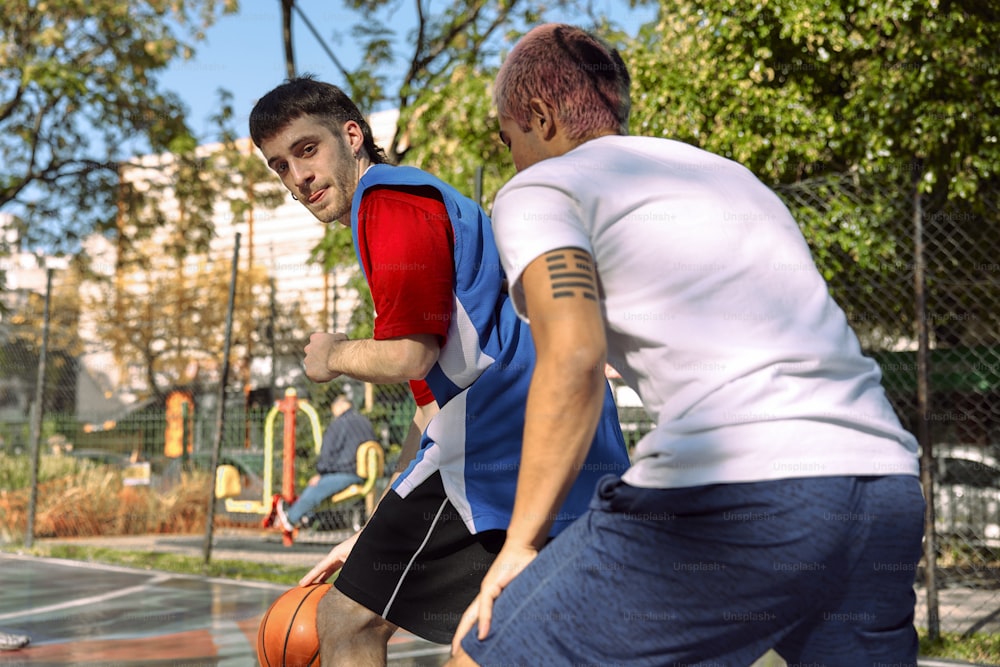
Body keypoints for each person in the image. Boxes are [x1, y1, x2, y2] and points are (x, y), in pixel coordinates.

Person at [450, 24, 925, 667]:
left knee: (484, 650)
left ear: (539, 118)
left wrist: (520, 544)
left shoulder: (542, 188)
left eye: (509, 142)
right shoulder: (730, 178)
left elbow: (574, 356)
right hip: (883, 487)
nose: (512, 160)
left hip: (738, 488)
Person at [248, 76, 630, 665]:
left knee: (344, 620)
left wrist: (333, 356)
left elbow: (408, 354)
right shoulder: (425, 200)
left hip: (498, 436)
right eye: (280, 166)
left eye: (306, 150)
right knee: (503, 639)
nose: (298, 178)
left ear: (352, 137)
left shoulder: (388, 203)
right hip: (563, 434)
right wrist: (371, 532)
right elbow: (430, 407)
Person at [274, 394, 375, 532]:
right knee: (322, 492)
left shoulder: (339, 424)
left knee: (315, 487)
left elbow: (328, 452)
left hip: (345, 472)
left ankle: (291, 518)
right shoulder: (365, 422)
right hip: (364, 474)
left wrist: (321, 473)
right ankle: (307, 516)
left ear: (339, 406)